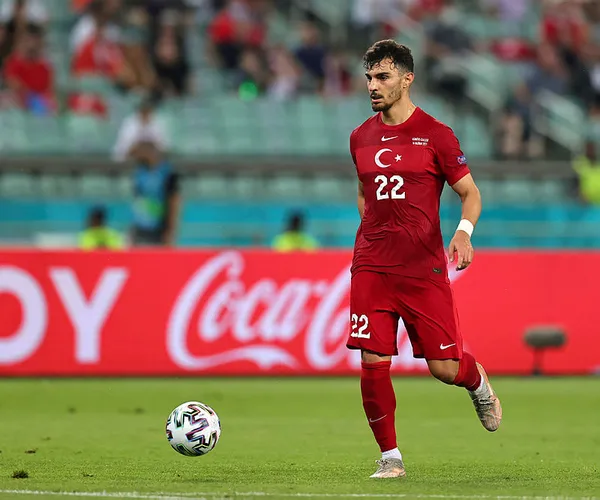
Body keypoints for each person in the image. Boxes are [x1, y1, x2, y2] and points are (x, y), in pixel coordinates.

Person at [346, 40, 502, 479]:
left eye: (383, 77)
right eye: (369, 78)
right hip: (372, 266)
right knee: (372, 360)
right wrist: (376, 232)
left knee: (444, 368)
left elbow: (470, 193)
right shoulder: (359, 137)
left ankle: (477, 382)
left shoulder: (436, 134)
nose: (373, 86)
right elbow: (364, 192)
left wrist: (463, 232)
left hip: (422, 269)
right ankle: (390, 457)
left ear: (407, 79)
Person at [131, 141, 180, 246]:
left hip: (159, 227)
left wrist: (170, 230)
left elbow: (174, 201)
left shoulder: (167, 172)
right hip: (140, 225)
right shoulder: (140, 172)